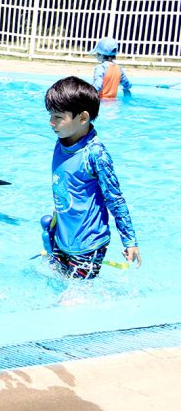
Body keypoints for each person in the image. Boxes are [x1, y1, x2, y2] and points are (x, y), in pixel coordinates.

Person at [44, 76, 140, 279]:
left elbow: (114, 199)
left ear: (82, 118)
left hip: (89, 243)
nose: (51, 122)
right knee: (56, 282)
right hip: (62, 237)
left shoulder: (95, 154)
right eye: (50, 115)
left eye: (58, 117)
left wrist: (129, 241)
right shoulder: (61, 142)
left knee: (77, 294)